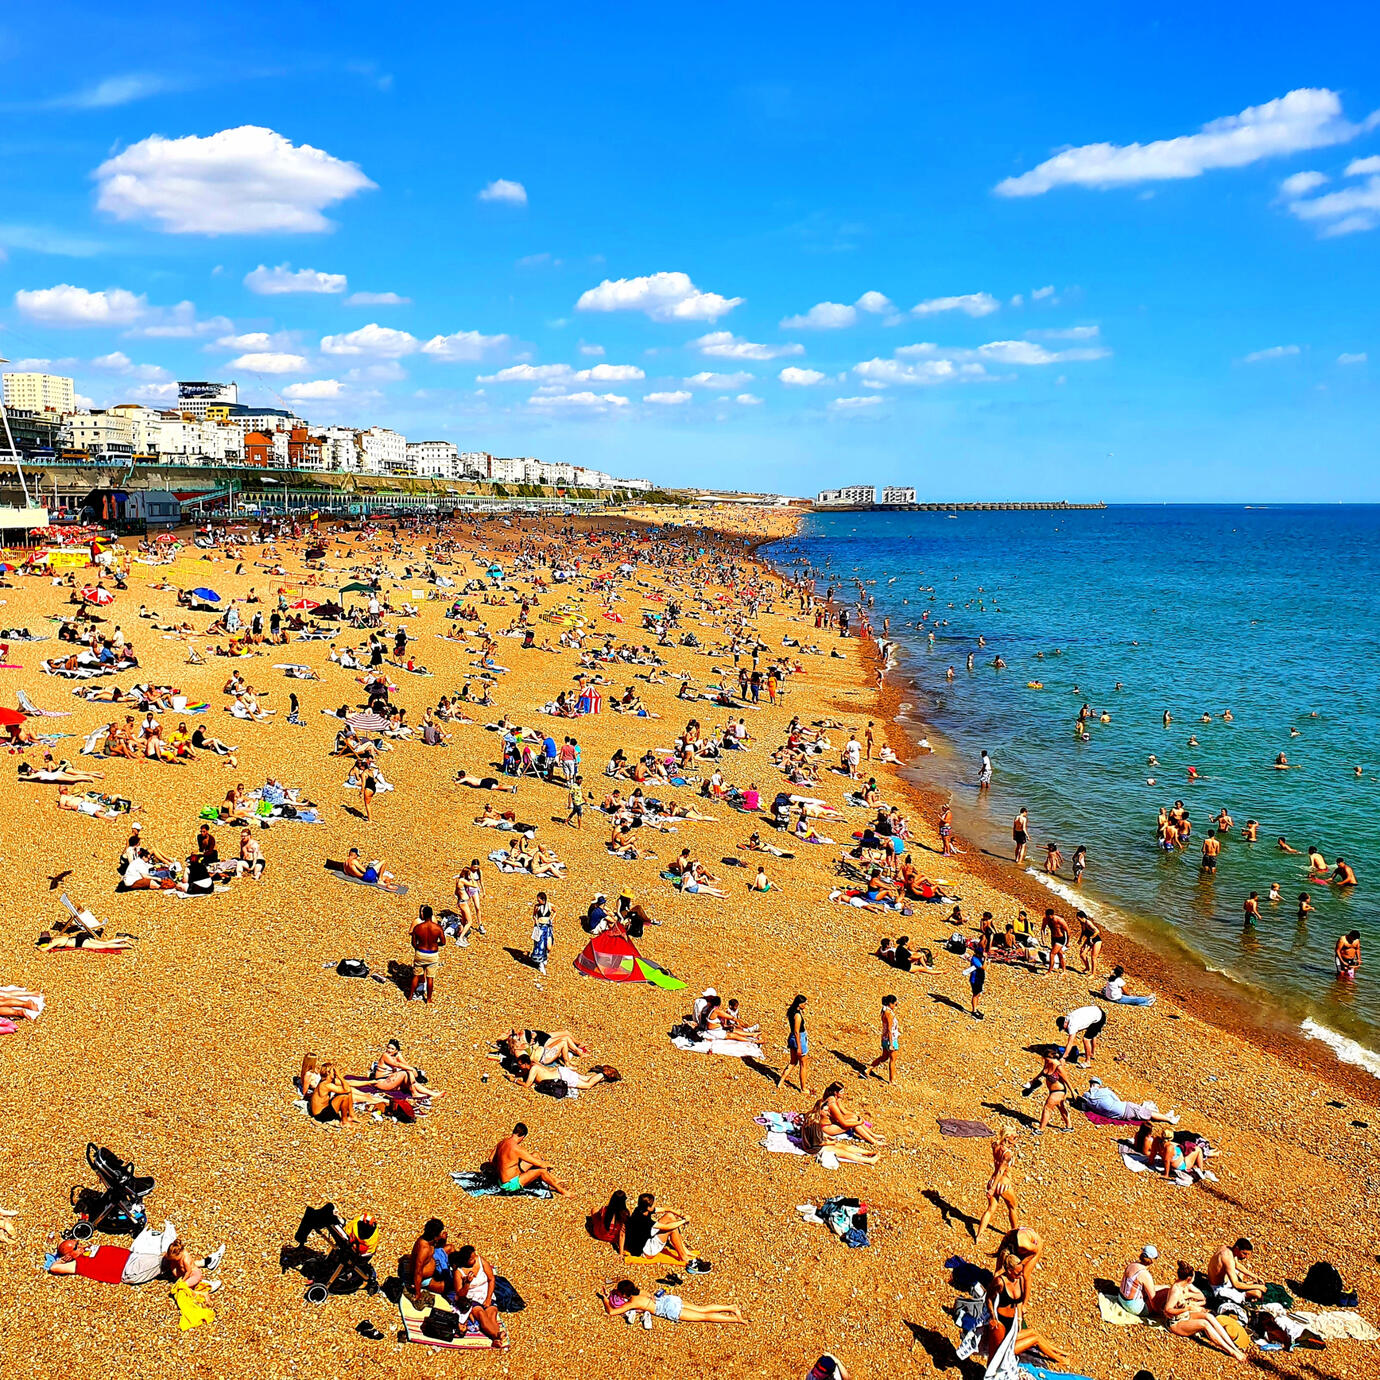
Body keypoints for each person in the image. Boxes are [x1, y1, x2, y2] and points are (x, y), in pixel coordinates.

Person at [1151, 1260, 1247, 1360]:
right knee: (1204, 1324)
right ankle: (1230, 1351)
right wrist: (1187, 1308)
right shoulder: (1176, 1291)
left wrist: (1188, 1296)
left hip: (1185, 1316)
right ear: (1189, 1278)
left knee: (1209, 1316)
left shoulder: (1185, 1285)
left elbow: (1201, 1296)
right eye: (1193, 1276)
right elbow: (1167, 1310)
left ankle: (1233, 1346)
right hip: (1175, 1323)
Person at [601, 1279, 745, 1326]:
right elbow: (650, 1297)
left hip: (669, 1309)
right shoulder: (639, 1291)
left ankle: (736, 1319)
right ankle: (730, 1307)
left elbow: (612, 1312)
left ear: (624, 1294)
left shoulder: (632, 1302)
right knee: (701, 1308)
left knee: (703, 1317)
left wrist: (605, 1299)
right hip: (668, 1299)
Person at [489, 1123, 570, 1196]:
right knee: (541, 1171)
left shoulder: (501, 1143)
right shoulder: (517, 1149)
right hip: (510, 1184)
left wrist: (502, 1168)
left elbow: (491, 1159)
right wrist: (549, 1164)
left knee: (535, 1155)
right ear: (522, 1136)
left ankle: (554, 1179)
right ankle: (561, 1190)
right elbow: (539, 1164)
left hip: (503, 1179)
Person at [622, 1192, 694, 1266]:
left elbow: (667, 1209)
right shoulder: (643, 1220)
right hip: (646, 1250)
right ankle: (684, 1257)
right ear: (648, 1208)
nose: (655, 1205)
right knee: (672, 1229)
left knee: (669, 1216)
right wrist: (684, 1221)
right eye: (654, 1204)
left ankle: (684, 1250)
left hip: (645, 1236)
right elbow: (667, 1227)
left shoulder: (641, 1209)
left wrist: (682, 1215)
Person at [973, 1127, 1019, 1241]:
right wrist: (993, 1189)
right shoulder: (1008, 1154)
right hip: (1002, 1183)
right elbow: (1000, 1172)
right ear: (1007, 1137)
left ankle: (979, 1235)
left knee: (990, 1209)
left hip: (992, 1181)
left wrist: (992, 1187)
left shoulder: (995, 1146)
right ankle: (1015, 1235)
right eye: (1014, 1137)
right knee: (1013, 1207)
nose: (1016, 1139)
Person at [455, 1244, 502, 1342]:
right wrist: (467, 1283)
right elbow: (460, 1294)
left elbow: (491, 1279)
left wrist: (488, 1299)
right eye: (471, 1258)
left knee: (492, 1315)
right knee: (481, 1315)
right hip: (472, 1297)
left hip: (485, 1293)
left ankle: (497, 1337)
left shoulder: (480, 1261)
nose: (474, 1259)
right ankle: (497, 1336)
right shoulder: (459, 1272)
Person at [1081, 1076, 1177, 1124]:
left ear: (1090, 1084)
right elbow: (1118, 1101)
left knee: (1142, 1110)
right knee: (1148, 1113)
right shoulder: (1105, 1091)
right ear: (1099, 1085)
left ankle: (1165, 1116)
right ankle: (1169, 1119)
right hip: (1125, 1109)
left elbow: (1084, 1106)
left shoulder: (1086, 1095)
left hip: (1116, 1114)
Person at [407, 1219, 454, 1305]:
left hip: (432, 1266)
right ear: (435, 1236)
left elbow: (436, 1246)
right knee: (450, 1286)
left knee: (450, 1248)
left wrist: (443, 1239)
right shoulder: (424, 1249)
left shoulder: (427, 1239)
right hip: (425, 1279)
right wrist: (418, 1293)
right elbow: (418, 1272)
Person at [1207, 1238, 1266, 1305]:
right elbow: (1236, 1284)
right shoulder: (1228, 1258)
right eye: (1244, 1253)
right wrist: (1258, 1287)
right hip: (1218, 1287)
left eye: (1248, 1254)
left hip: (1222, 1279)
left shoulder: (1227, 1249)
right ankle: (1245, 1292)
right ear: (1237, 1249)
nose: (1246, 1257)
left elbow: (1237, 1265)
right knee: (1257, 1293)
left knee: (1241, 1273)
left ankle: (1246, 1285)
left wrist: (1255, 1276)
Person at [409, 903, 445, 1003]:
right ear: (432, 915)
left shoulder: (418, 927)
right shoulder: (438, 928)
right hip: (432, 954)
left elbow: (413, 943)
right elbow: (443, 942)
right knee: (430, 978)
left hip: (420, 952)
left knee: (416, 975)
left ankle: (410, 996)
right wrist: (435, 944)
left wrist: (418, 948)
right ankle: (428, 999)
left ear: (423, 915)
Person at [776, 993, 811, 1093]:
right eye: (804, 1004)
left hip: (792, 1038)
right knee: (803, 1064)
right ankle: (803, 1088)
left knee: (793, 1062)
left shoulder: (791, 1012)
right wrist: (799, 1047)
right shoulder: (797, 1016)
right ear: (799, 1004)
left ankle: (781, 1081)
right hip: (799, 1039)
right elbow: (797, 1032)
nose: (806, 1005)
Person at [864, 994, 900, 1081]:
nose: (895, 1006)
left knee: (884, 1057)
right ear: (890, 1004)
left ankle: (869, 1069)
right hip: (891, 1039)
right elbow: (889, 1030)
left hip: (884, 1038)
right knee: (893, 1059)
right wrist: (891, 1044)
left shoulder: (884, 1011)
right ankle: (892, 1080)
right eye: (895, 1004)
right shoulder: (889, 1014)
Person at [1117, 1245, 1159, 1316]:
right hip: (1133, 1307)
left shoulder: (1131, 1265)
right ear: (1152, 1260)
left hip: (1121, 1298)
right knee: (1164, 1293)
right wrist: (1157, 1312)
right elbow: (1153, 1300)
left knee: (1161, 1287)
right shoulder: (1144, 1274)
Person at [529, 892, 554, 974]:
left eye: (538, 899)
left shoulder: (550, 905)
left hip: (547, 927)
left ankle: (545, 956)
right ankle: (541, 963)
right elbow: (534, 915)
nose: (538, 901)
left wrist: (551, 920)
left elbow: (555, 912)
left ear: (543, 899)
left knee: (549, 946)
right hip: (540, 927)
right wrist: (536, 921)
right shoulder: (537, 907)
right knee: (540, 945)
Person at [966, 949, 986, 1019]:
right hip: (975, 979)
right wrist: (986, 959)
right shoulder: (975, 959)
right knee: (975, 994)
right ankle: (974, 1010)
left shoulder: (979, 959)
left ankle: (976, 1008)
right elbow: (983, 967)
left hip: (979, 979)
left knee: (978, 994)